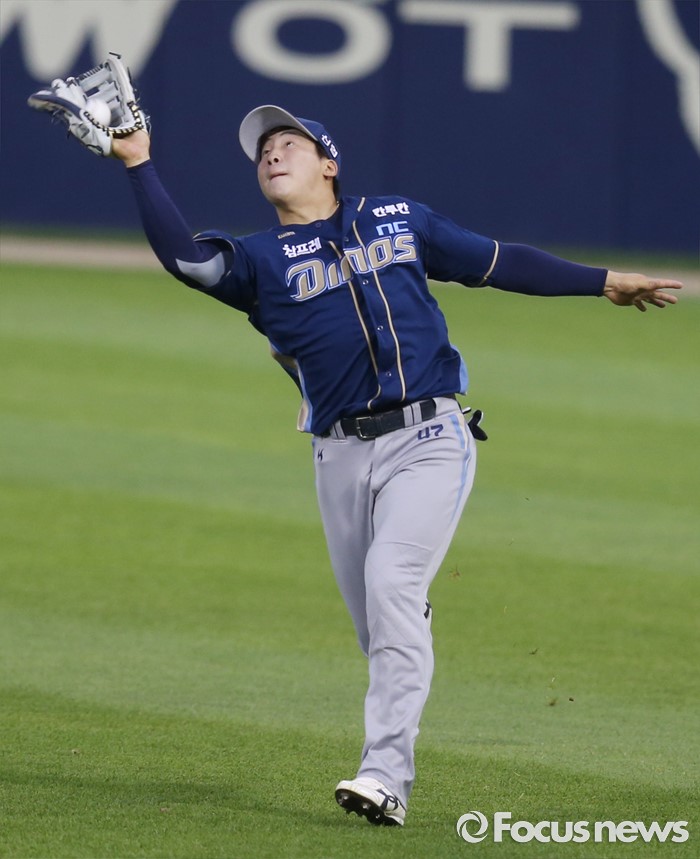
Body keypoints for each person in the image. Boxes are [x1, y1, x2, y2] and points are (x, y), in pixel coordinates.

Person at [110, 106, 681, 827]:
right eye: (263, 152)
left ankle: (385, 776)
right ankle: (405, 617)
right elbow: (190, 261)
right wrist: (138, 161)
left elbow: (499, 261)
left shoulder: (396, 218)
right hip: (338, 455)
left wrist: (603, 281)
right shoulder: (258, 261)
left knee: (391, 583)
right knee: (377, 628)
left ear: (330, 164)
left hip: (430, 436)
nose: (273, 154)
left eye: (289, 144)